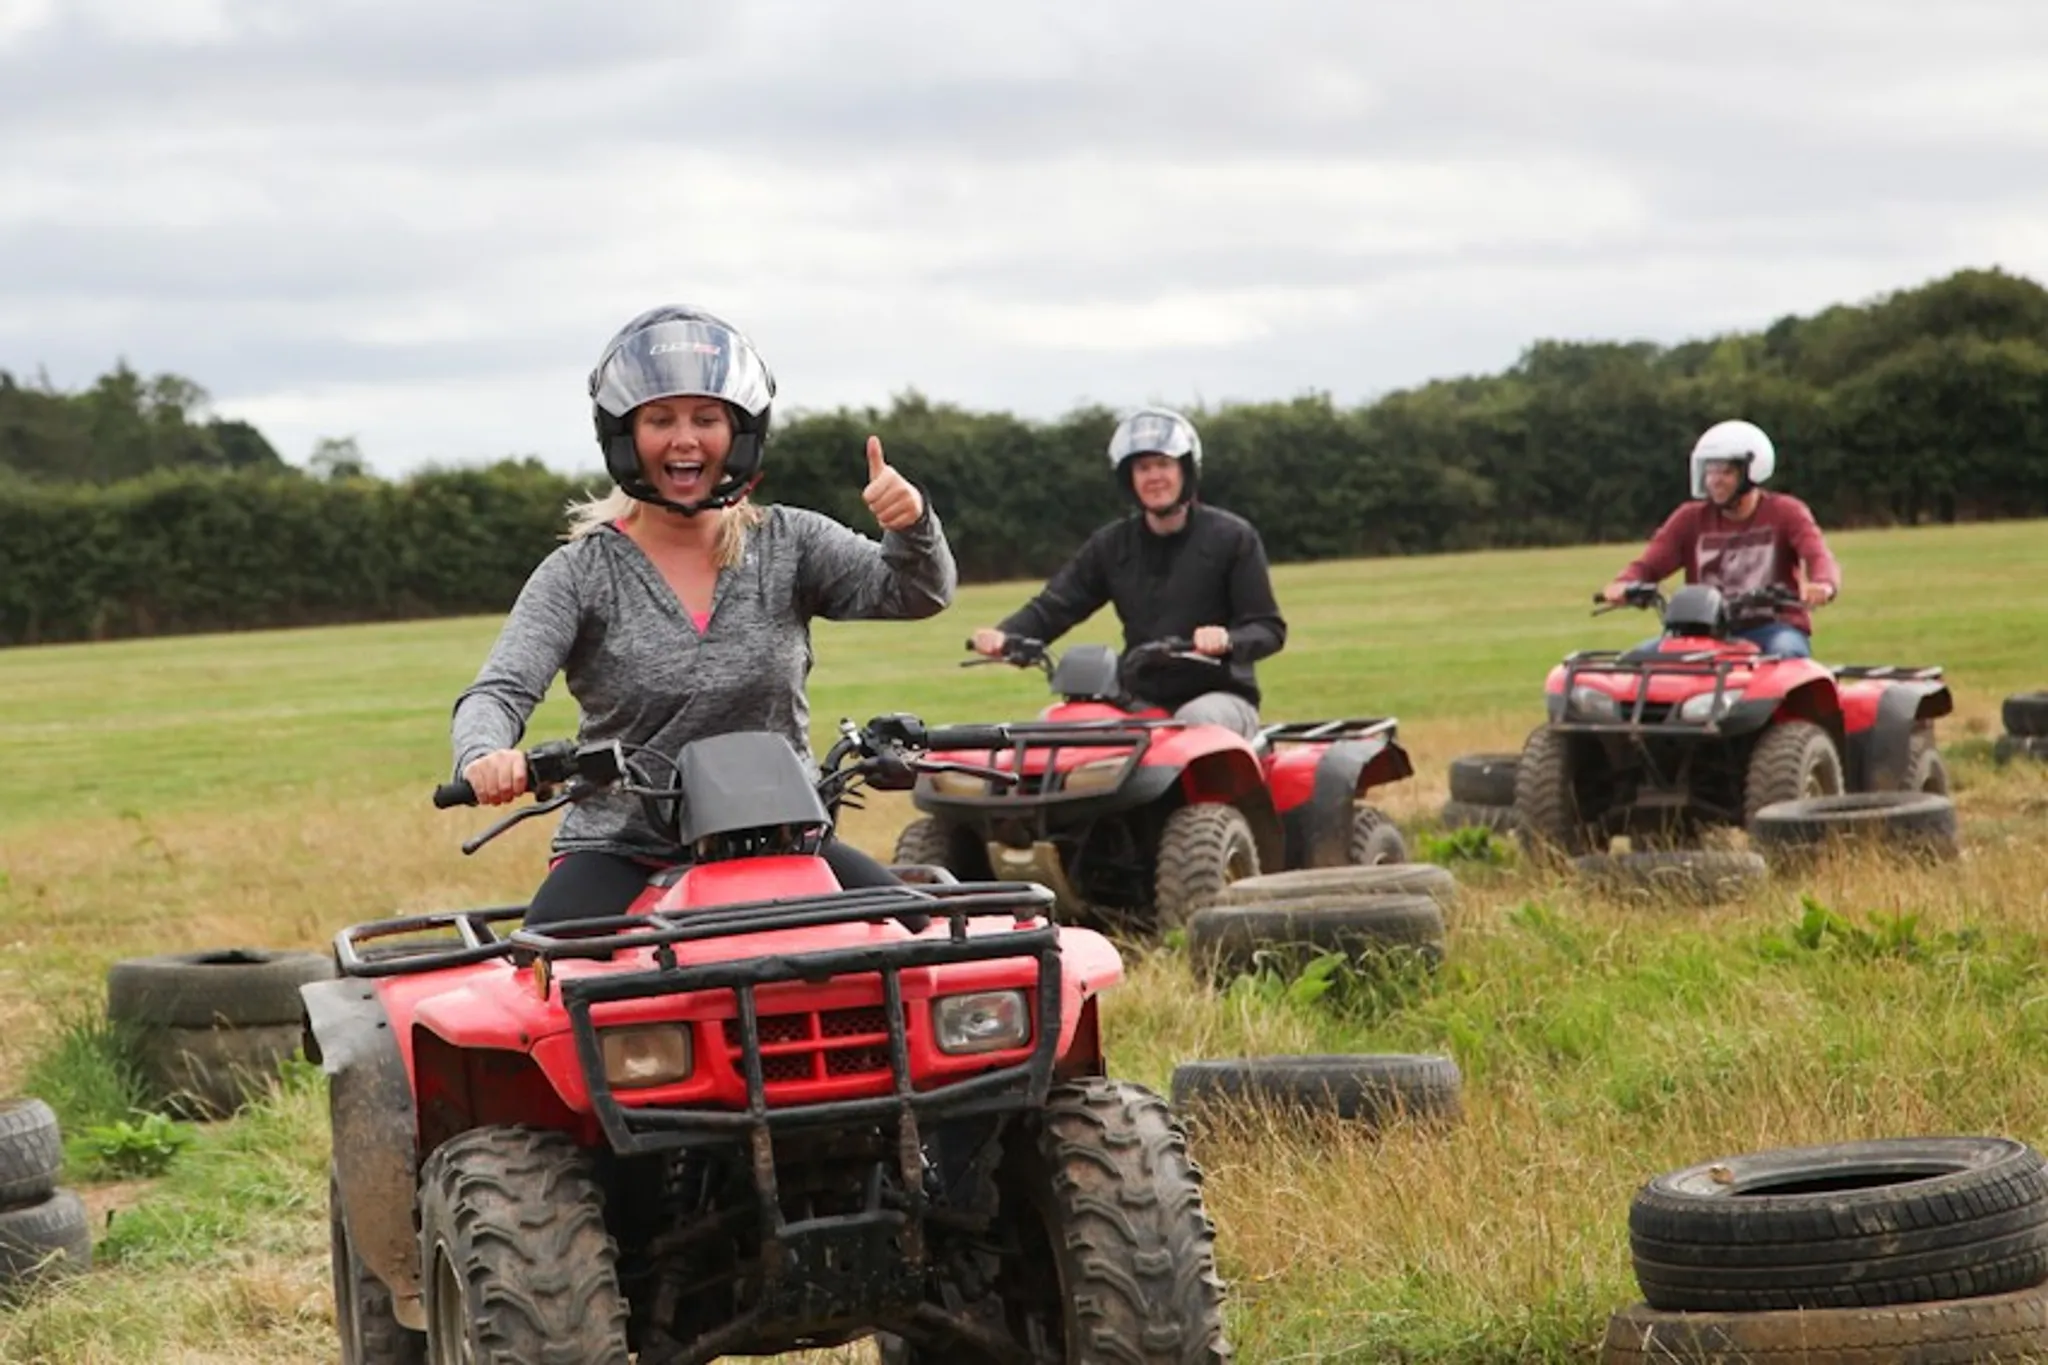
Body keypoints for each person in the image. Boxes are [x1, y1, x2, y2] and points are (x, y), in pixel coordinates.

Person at [451, 305, 955, 926]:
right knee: (554, 977)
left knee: (921, 943)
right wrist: (484, 755)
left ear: (738, 434)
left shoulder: (790, 543)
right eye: (660, 419)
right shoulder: (580, 572)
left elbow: (916, 593)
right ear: (625, 435)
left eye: (706, 419)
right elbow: (500, 690)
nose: (685, 438)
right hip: (622, 849)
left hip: (786, 834)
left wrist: (910, 525)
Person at [969, 406, 1285, 738]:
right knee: (1055, 725)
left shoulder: (1232, 537)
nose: (1154, 477)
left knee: (1193, 726)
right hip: (1135, 696)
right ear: (1129, 478)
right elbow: (1057, 604)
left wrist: (1227, 640)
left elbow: (1268, 628)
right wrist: (1005, 636)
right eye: (1143, 467)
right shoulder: (1112, 545)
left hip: (1219, 696)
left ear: (1186, 470)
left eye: (1164, 464)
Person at [1602, 419, 1840, 657]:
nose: (1714, 480)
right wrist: (1624, 584)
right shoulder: (1689, 518)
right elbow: (1650, 564)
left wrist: (1823, 583)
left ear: (1752, 472)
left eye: (1726, 472)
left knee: (1785, 656)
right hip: (1702, 631)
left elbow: (1817, 554)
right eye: (1710, 471)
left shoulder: (1786, 512)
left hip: (1771, 627)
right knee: (1635, 663)